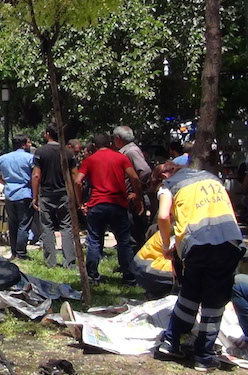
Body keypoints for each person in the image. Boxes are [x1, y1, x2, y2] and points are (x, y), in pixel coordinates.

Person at [153, 162, 246, 371]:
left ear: (167, 175)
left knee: (191, 291)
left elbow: (162, 216)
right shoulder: (213, 179)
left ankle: (172, 342)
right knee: (214, 298)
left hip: (196, 244)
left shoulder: (170, 185)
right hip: (228, 242)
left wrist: (167, 245)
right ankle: (203, 356)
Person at [75, 133, 143, 285]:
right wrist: (137, 196)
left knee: (94, 240)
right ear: (111, 143)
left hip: (97, 204)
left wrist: (80, 203)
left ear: (94, 146)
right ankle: (129, 276)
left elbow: (78, 181)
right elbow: (135, 178)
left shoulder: (89, 160)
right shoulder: (121, 158)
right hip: (117, 204)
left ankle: (92, 276)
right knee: (124, 241)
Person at [31, 125, 77, 268]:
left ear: (47, 134)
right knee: (66, 227)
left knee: (47, 227)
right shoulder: (68, 153)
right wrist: (76, 197)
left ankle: (50, 262)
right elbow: (75, 176)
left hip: (46, 194)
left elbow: (36, 175)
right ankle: (69, 262)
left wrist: (34, 196)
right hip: (64, 193)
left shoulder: (41, 152)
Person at [0, 135, 34, 260]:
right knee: (23, 224)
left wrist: (2, 182)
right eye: (28, 143)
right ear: (23, 145)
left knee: (12, 224)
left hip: (9, 194)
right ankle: (21, 253)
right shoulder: (30, 158)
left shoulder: (4, 158)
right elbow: (36, 174)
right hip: (25, 193)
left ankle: (14, 252)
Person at [112, 126, 152, 250]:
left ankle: (134, 262)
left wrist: (137, 192)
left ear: (118, 138)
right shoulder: (128, 150)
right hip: (127, 198)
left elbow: (145, 171)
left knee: (133, 232)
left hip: (132, 199)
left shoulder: (130, 151)